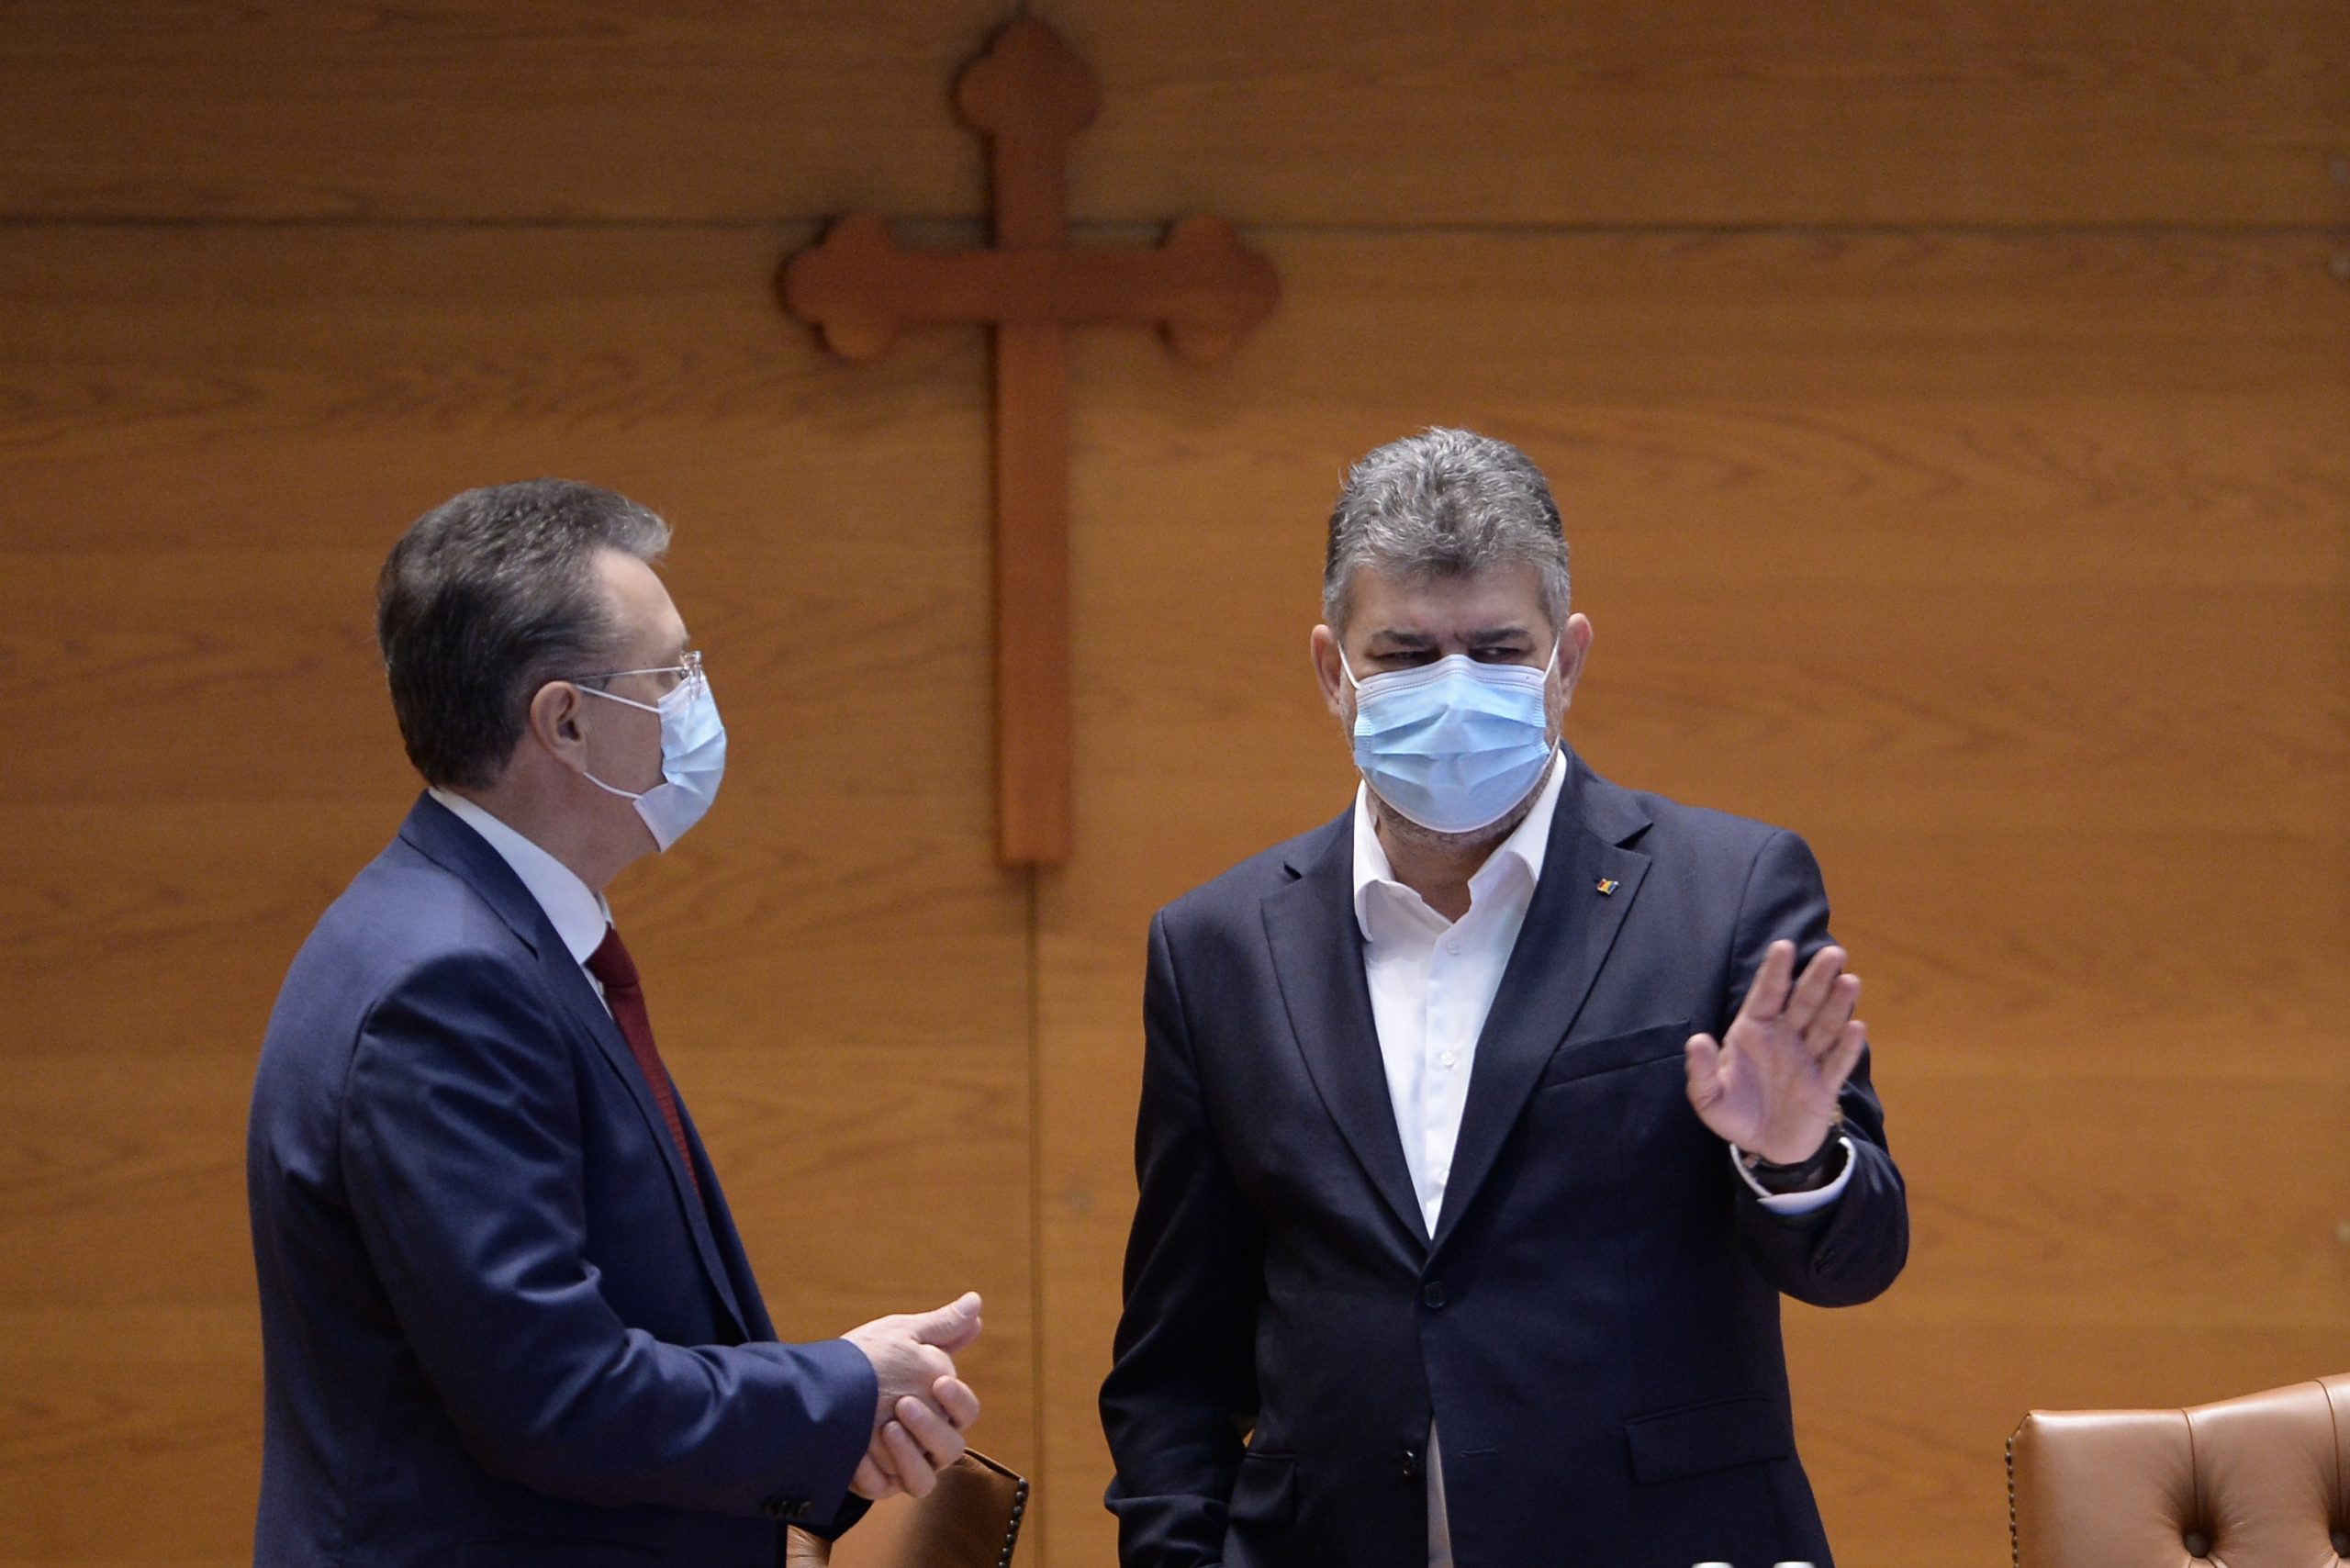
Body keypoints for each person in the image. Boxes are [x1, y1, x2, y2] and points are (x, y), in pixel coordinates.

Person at [1100, 430, 1908, 1568]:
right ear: (1333, 672)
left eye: (1495, 649)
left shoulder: (1724, 891)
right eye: (1405, 653)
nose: (1454, 690)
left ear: (1564, 661)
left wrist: (1792, 1158)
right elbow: (1177, 1358)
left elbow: (1857, 1257)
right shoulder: (1217, 946)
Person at [247, 480, 980, 1566]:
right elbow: (553, 1393)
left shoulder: (484, 934)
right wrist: (840, 1390)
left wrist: (827, 1428)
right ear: (566, 721)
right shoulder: (447, 981)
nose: (696, 702)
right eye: (670, 674)